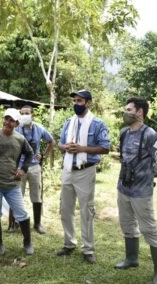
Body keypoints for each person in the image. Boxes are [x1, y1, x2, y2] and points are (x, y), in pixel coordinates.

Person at [114, 97, 157, 284]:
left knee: (149, 229)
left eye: (129, 109)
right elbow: (123, 156)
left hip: (142, 191)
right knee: (127, 224)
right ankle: (131, 259)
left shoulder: (150, 134)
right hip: (123, 187)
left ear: (139, 112)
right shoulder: (124, 133)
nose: (125, 112)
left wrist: (148, 178)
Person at [57, 89, 110, 264]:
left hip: (86, 171)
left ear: (88, 103)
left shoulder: (97, 124)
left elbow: (105, 147)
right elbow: (59, 143)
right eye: (74, 101)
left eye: (80, 101)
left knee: (86, 211)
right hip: (67, 169)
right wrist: (66, 147)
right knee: (65, 209)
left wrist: (82, 149)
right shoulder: (68, 122)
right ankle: (69, 243)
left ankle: (88, 249)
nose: (76, 104)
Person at [0, 108, 34, 255]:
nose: (7, 123)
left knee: (22, 213)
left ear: (17, 123)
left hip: (12, 184)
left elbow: (30, 154)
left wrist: (23, 169)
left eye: (11, 120)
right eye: (6, 119)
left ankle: (27, 242)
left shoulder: (20, 139)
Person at [9, 105, 56, 234]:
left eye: (27, 113)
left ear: (32, 114)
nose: (25, 115)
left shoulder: (39, 128)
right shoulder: (16, 129)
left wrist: (44, 156)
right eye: (22, 113)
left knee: (36, 196)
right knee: (16, 195)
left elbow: (52, 141)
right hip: (19, 167)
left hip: (35, 166)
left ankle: (37, 224)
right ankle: (14, 223)